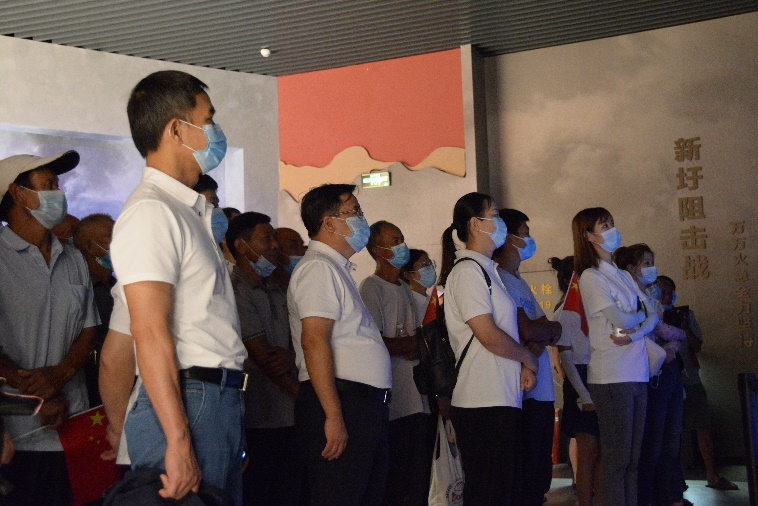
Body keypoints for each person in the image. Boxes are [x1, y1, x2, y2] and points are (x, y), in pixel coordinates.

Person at [110, 70, 248, 502]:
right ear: (175, 129)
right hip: (189, 401)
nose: (215, 131)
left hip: (212, 399)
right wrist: (178, 439)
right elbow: (149, 330)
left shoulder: (185, 209)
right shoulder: (151, 211)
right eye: (208, 119)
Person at [0, 150, 99, 505]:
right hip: (14, 437)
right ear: (18, 193)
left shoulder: (73, 258)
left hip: (73, 428)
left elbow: (88, 330)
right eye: (49, 184)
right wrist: (34, 389)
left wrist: (62, 374)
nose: (59, 193)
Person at [287, 183, 392, 505]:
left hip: (359, 404)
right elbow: (314, 340)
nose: (362, 219)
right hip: (342, 402)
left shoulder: (335, 268)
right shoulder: (318, 268)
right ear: (329, 223)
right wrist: (333, 415)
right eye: (354, 212)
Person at [440, 192, 539, 505]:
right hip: (481, 400)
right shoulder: (468, 272)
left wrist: (521, 365)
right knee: (489, 492)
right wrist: (528, 358)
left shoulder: (488, 271)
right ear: (475, 224)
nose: (501, 223)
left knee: (504, 490)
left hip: (501, 396)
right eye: (494, 215)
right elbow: (487, 334)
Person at [573, 207, 658, 506]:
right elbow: (620, 319)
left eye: (611, 223)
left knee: (633, 460)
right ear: (588, 235)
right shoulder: (591, 276)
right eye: (604, 225)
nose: (611, 230)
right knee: (617, 458)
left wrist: (634, 332)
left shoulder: (622, 274)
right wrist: (639, 318)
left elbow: (652, 314)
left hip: (637, 371)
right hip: (611, 376)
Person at [227, 212, 304, 506]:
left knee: (291, 492)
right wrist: (304, 396)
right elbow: (264, 357)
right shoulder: (235, 290)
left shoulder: (277, 287)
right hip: (259, 416)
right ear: (241, 245)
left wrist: (293, 356)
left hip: (289, 415)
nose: (274, 246)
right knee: (263, 493)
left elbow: (296, 343)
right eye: (266, 238)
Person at [360, 221, 432, 506]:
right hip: (395, 400)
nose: (402, 246)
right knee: (398, 476)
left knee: (419, 474)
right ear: (378, 250)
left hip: (417, 395)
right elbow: (377, 342)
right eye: (394, 241)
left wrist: (416, 344)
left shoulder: (403, 287)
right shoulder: (371, 288)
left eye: (402, 239)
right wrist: (414, 344)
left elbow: (418, 338)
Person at [493, 208, 561, 506]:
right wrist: (542, 332)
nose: (529, 240)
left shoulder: (518, 279)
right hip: (523, 393)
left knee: (539, 472)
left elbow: (550, 327)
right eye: (524, 233)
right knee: (526, 473)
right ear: (508, 238)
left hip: (540, 391)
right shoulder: (499, 278)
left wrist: (544, 332)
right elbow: (529, 329)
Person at [615, 244, 686, 506]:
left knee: (671, 440)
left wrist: (673, 339)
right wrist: (671, 339)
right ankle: (649, 498)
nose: (651, 268)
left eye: (652, 262)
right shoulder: (627, 298)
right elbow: (647, 332)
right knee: (652, 445)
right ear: (630, 268)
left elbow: (665, 331)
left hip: (668, 373)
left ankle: (669, 496)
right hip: (650, 375)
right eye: (646, 263)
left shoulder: (649, 298)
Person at [656, 275, 739, 492]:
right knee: (671, 431)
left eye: (670, 293)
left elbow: (697, 346)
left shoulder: (686, 315)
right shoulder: (653, 315)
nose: (667, 297)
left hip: (690, 379)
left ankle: (712, 475)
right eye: (663, 293)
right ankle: (675, 479)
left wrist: (685, 327)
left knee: (703, 425)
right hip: (664, 379)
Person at [549, 255, 601, 506]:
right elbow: (565, 358)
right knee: (587, 452)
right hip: (581, 380)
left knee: (600, 451)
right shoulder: (564, 312)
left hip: (598, 375)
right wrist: (583, 394)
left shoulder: (592, 308)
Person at [73, 213, 117, 406]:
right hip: (96, 390)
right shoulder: (82, 291)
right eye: (111, 235)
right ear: (91, 248)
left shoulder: (119, 286)